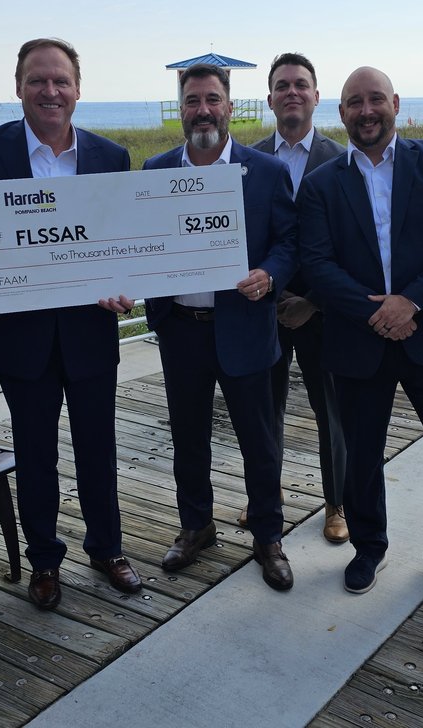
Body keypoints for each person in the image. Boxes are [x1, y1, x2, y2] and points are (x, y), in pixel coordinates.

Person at [0, 38, 141, 612]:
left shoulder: (110, 156)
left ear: (78, 89)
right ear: (19, 86)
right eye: (38, 81)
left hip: (91, 331)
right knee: (36, 454)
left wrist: (128, 280)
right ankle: (45, 560)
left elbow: (123, 239)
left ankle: (107, 548)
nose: (51, 91)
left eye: (61, 81)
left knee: (99, 448)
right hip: (22, 336)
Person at [299, 67, 423, 607]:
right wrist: (373, 311)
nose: (366, 110)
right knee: (360, 454)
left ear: (396, 103)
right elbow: (316, 262)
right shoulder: (321, 183)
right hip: (359, 340)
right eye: (354, 102)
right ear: (342, 114)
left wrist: (412, 302)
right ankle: (368, 546)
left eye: (375, 99)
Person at [140, 63, 298, 590]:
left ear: (231, 106)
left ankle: (268, 536)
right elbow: (141, 243)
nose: (202, 110)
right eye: (192, 101)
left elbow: (288, 244)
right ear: (181, 109)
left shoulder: (267, 172)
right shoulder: (154, 171)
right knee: (188, 436)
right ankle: (196, 525)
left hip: (245, 325)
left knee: (260, 439)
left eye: (212, 99)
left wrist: (269, 274)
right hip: (181, 327)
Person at [249, 52, 348, 543]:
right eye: (282, 85)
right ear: (270, 98)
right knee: (265, 408)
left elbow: (352, 244)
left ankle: (337, 503)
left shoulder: (342, 159)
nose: (292, 92)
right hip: (264, 307)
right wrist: (273, 291)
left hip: (322, 310)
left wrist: (312, 300)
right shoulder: (247, 160)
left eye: (301, 85)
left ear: (315, 95)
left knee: (330, 410)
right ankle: (268, 496)